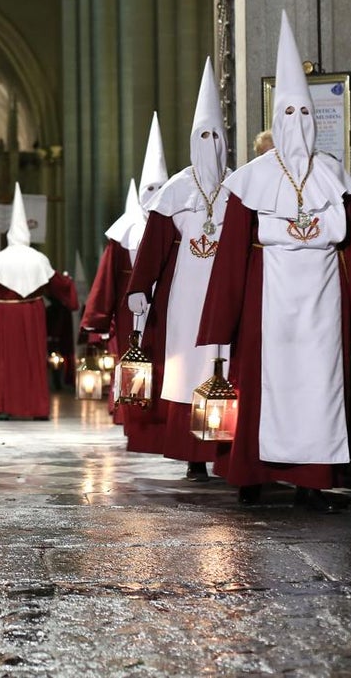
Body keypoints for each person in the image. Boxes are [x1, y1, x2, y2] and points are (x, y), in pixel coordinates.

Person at [197, 12, 351, 510]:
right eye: (287, 113)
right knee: (257, 386)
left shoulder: (334, 175)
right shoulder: (251, 180)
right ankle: (250, 476)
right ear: (276, 118)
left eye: (304, 113)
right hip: (264, 298)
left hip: (322, 298)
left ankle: (311, 482)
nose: (296, 122)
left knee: (321, 387)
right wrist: (221, 320)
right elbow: (231, 255)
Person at [125, 59, 231, 479]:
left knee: (223, 364)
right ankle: (192, 456)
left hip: (224, 290)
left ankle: (224, 447)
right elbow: (152, 246)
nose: (210, 144)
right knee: (188, 367)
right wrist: (139, 286)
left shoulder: (239, 187)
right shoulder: (176, 190)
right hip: (185, 292)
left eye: (216, 136)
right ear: (192, 140)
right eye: (202, 135)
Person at [83, 115, 167, 425]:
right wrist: (99, 317)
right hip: (129, 309)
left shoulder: (175, 222)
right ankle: (128, 409)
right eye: (150, 187)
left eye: (161, 186)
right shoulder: (123, 232)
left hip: (164, 302)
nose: (155, 193)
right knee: (129, 358)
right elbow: (107, 278)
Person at [0, 183, 78, 420]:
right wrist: (71, 294)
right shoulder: (39, 258)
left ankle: (3, 407)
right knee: (33, 360)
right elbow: (61, 285)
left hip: (6, 314)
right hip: (33, 313)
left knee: (6, 361)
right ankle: (37, 409)